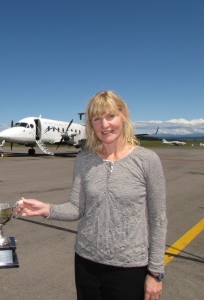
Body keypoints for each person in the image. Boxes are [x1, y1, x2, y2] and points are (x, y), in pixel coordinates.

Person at [19, 90, 167, 300]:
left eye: (110, 116)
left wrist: (155, 272)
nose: (104, 125)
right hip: (86, 261)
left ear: (123, 115)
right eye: (97, 119)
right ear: (91, 124)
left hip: (129, 266)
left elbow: (158, 219)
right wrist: (47, 209)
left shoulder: (147, 160)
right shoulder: (84, 159)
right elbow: (77, 207)